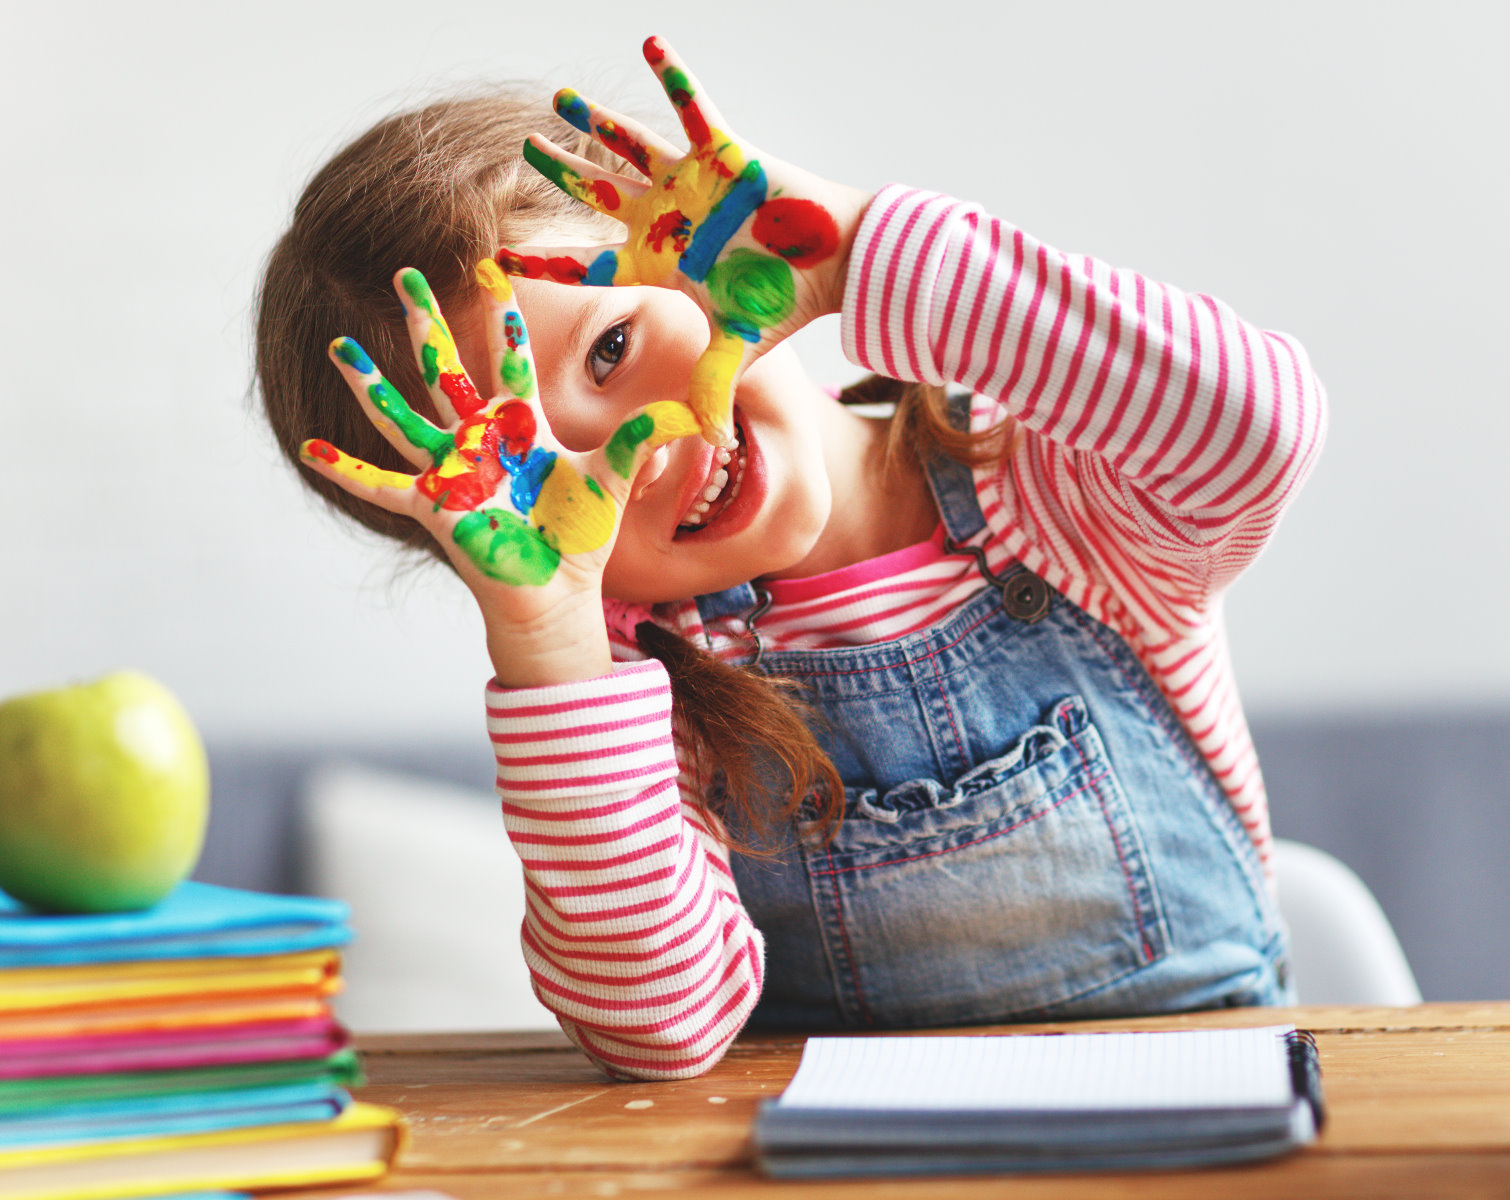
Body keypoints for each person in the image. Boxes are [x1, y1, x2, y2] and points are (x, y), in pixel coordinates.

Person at [256, 37, 1326, 1081]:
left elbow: (1253, 428)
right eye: (529, 473)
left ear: (702, 253)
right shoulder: (637, 686)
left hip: (1207, 1105)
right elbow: (658, 1030)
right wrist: (550, 642)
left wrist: (851, 250)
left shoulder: (1052, 491)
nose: (638, 448)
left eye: (610, 348)